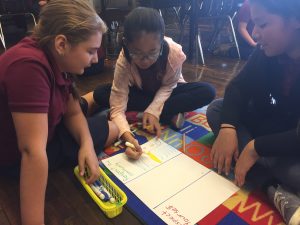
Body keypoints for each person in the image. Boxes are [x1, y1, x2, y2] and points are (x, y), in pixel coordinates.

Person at [0, 0, 119, 224]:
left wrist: (86, 146)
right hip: (13, 159)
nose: (95, 59)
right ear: (62, 44)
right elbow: (31, 152)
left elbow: (72, 113)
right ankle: (95, 102)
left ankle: (93, 101)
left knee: (91, 119)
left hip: (47, 126)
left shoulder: (53, 57)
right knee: (110, 128)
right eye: (91, 51)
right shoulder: (28, 67)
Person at [206, 0, 300, 224]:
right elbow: (238, 87)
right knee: (217, 110)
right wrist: (228, 128)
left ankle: (265, 180)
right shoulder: (266, 52)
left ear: (296, 19)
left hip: (291, 140)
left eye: (263, 24)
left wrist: (254, 148)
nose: (254, 33)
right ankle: (271, 182)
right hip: (275, 129)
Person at [90, 7, 215, 159]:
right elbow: (117, 105)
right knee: (101, 93)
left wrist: (153, 110)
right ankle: (169, 114)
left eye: (152, 52)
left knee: (207, 91)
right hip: (142, 93)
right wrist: (127, 136)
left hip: (169, 92)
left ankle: (141, 114)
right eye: (137, 53)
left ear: (161, 43)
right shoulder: (124, 60)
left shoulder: (174, 53)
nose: (145, 60)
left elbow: (168, 86)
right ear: (126, 45)